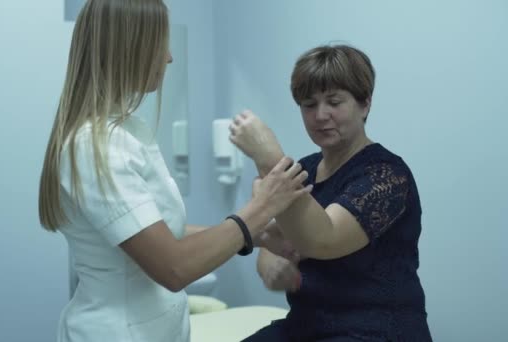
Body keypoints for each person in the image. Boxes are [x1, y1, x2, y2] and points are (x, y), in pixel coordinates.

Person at [37, 1, 311, 341]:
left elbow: (162, 234)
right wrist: (263, 206)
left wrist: (255, 236)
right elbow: (173, 267)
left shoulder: (125, 132)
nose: (168, 57)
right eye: (160, 44)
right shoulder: (95, 147)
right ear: (130, 47)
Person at [229, 44, 432, 341]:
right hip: (306, 325)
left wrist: (268, 156)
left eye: (334, 102)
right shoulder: (304, 170)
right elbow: (270, 236)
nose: (320, 115)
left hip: (374, 329)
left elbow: (322, 239)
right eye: (309, 105)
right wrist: (272, 262)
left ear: (365, 104)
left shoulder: (387, 175)